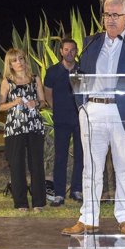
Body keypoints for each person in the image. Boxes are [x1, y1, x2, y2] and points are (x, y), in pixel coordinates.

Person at [61, 0, 125, 236]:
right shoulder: (91, 41)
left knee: (124, 168)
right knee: (91, 168)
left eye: (115, 15)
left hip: (122, 113)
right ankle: (88, 218)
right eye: (107, 14)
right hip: (92, 111)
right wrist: (82, 105)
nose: (110, 19)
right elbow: (80, 74)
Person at [0, 48, 47, 212]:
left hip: (34, 126)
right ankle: (20, 203)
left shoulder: (35, 79)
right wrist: (14, 102)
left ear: (25, 60)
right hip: (14, 128)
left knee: (36, 164)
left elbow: (44, 102)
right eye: (14, 60)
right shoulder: (7, 81)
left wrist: (37, 103)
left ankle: (39, 201)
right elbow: (0, 106)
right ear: (10, 64)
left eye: (21, 59)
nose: (19, 62)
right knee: (17, 165)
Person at [43, 38, 83, 207]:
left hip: (80, 118)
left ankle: (77, 190)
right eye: (66, 49)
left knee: (81, 155)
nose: (69, 52)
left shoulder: (82, 71)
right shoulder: (52, 71)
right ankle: (59, 194)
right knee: (61, 156)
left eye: (72, 50)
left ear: (76, 52)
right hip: (61, 119)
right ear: (61, 51)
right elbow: (47, 93)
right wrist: (56, 109)